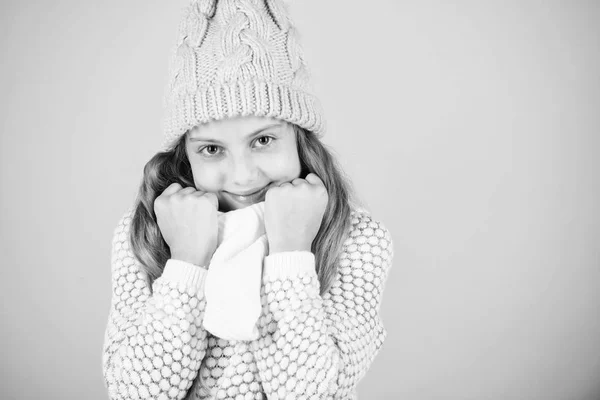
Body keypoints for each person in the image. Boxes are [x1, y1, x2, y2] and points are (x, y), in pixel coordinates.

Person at [102, 0, 394, 399]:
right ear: (184, 155)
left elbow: (308, 394)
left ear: (299, 139)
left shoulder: (354, 238)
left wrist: (291, 253)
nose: (242, 175)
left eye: (263, 140)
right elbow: (134, 393)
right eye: (211, 149)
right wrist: (187, 261)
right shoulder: (149, 233)